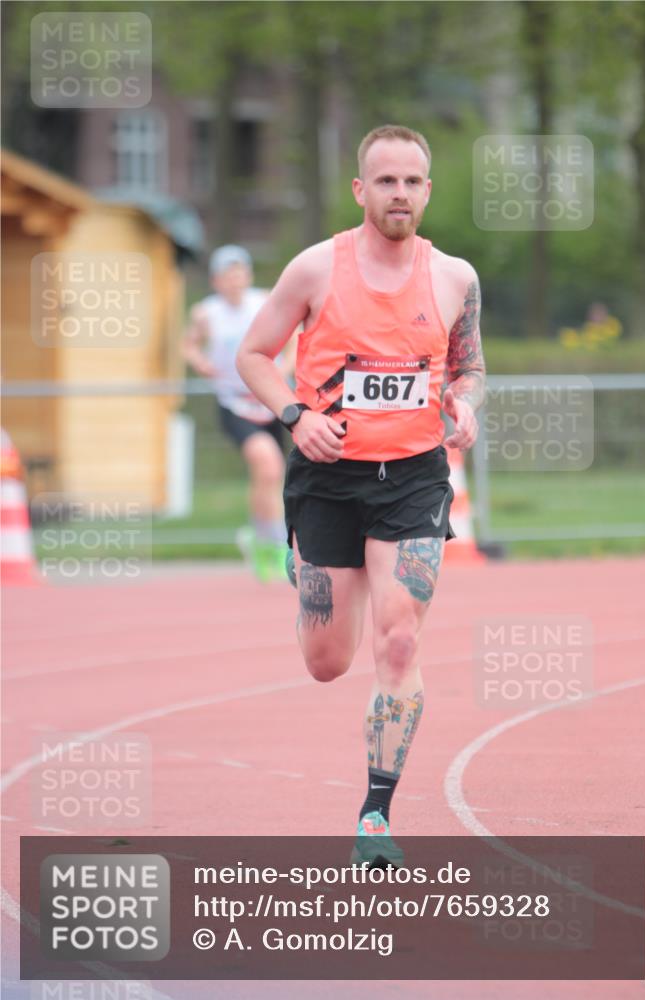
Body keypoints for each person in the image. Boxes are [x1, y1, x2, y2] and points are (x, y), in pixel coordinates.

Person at [237, 125, 485, 864]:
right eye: (385, 181)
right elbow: (253, 355)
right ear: (360, 190)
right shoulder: (315, 270)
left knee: (399, 637)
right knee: (325, 659)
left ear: (427, 191)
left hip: (412, 477)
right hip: (327, 477)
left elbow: (468, 367)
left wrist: (465, 404)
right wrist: (295, 416)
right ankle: (304, 560)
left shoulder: (455, 279)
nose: (399, 193)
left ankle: (374, 816)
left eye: (411, 181)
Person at [182, 245, 294, 582]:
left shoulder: (265, 302)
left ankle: (258, 538)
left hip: (273, 400)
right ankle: (276, 545)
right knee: (267, 464)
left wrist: (283, 370)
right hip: (235, 402)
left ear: (247, 275)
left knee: (271, 476)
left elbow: (294, 339)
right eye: (226, 275)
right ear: (216, 280)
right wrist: (199, 361)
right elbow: (187, 344)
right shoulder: (206, 313)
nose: (234, 280)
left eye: (239, 273)